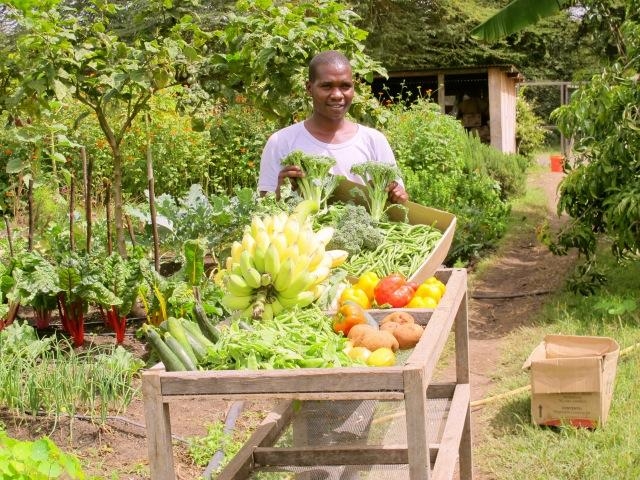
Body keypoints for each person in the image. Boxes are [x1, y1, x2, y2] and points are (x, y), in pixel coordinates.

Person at [258, 50, 408, 204]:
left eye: (345, 86)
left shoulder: (374, 140)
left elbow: (397, 199)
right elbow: (263, 208)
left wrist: (398, 195)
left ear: (353, 88)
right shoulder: (281, 142)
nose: (337, 94)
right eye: (327, 86)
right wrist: (279, 190)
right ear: (309, 88)